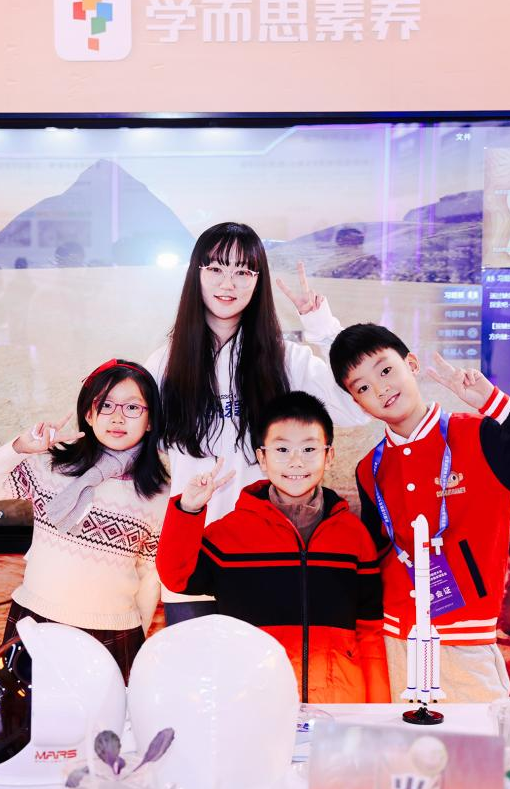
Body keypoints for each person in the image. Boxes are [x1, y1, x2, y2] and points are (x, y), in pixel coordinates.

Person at [331, 323, 510, 702]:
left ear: (411, 364)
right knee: (400, 742)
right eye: (362, 387)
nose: (380, 389)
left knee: (476, 742)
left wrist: (494, 402)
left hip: (466, 645)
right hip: (395, 643)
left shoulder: (481, 437)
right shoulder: (370, 469)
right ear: (357, 403)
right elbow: (374, 557)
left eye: (385, 370)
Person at [145, 221, 369, 623]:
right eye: (216, 268)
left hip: (263, 561)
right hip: (189, 565)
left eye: (243, 271)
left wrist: (323, 328)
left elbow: (356, 407)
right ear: (196, 273)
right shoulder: (165, 363)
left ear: (258, 280)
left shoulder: (286, 359)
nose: (228, 283)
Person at [158, 391, 389, 704]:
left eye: (309, 449)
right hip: (254, 702)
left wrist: (377, 712)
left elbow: (370, 631)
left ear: (329, 455)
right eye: (282, 449)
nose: (296, 461)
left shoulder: (353, 536)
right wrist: (188, 510)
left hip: (339, 702)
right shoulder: (230, 534)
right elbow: (176, 577)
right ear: (262, 458)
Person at [0, 359, 168, 680]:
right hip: (36, 620)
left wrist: (137, 635)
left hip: (113, 631)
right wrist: (20, 448)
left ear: (151, 419)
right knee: (28, 712)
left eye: (132, 407)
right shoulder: (52, 465)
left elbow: (149, 573)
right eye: (105, 405)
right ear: (89, 413)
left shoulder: (158, 492)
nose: (117, 417)